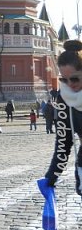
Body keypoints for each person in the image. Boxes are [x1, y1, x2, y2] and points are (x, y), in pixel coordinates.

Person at [44, 40, 82, 197]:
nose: (69, 84)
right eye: (64, 80)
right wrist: (52, 176)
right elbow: (63, 141)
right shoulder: (63, 99)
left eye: (74, 78)